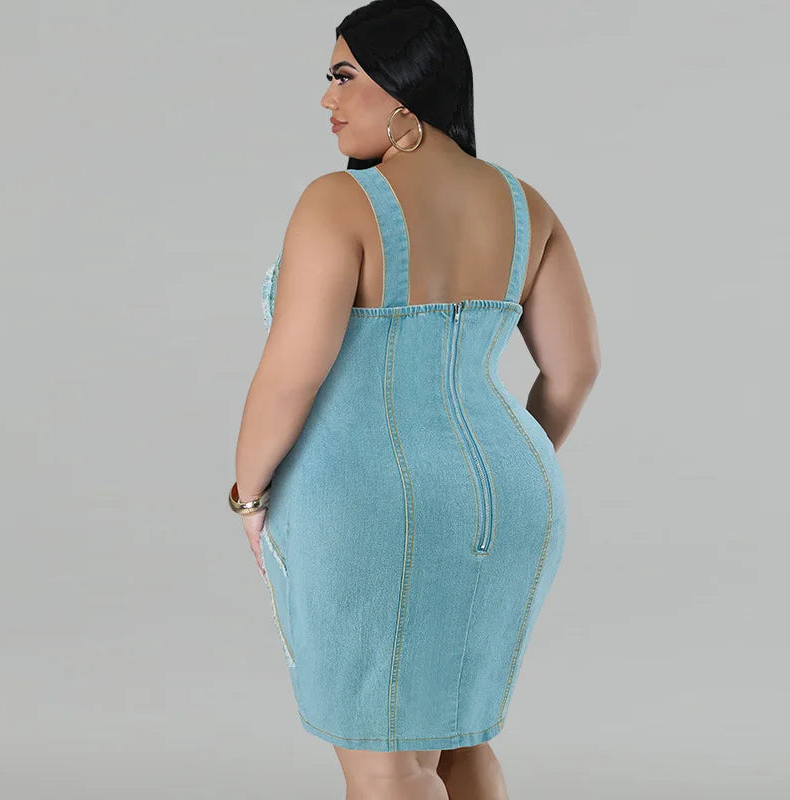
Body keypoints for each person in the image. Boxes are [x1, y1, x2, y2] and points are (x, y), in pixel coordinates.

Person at [230, 1, 600, 797]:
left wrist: (247, 495)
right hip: (512, 503)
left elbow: (290, 375)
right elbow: (573, 372)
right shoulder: (526, 207)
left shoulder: (338, 202)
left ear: (402, 87)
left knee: (384, 764)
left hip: (363, 503)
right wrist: (494, 472)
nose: (327, 99)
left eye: (343, 76)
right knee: (460, 740)